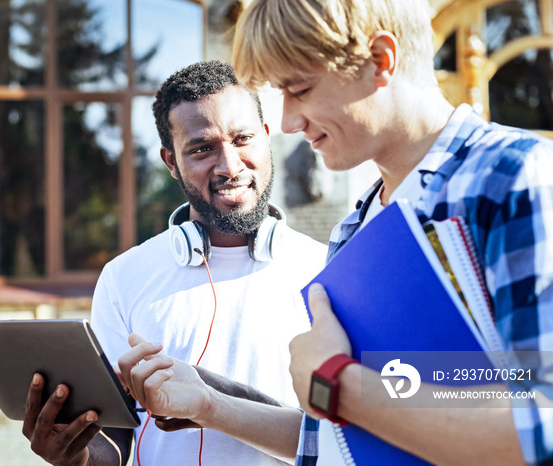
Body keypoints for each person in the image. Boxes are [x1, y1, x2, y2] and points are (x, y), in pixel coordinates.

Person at [229, 0, 553, 465]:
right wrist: (209, 403)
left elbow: (544, 421)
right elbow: (335, 444)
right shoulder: (353, 230)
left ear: (381, 60)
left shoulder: (511, 177)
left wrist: (338, 384)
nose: (287, 122)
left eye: (299, 89)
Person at [21, 60, 328, 465]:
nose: (229, 166)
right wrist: (74, 456)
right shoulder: (124, 277)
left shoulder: (325, 269)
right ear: (171, 162)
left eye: (243, 139)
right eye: (202, 149)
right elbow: (113, 437)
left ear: (266, 138)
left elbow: (345, 436)